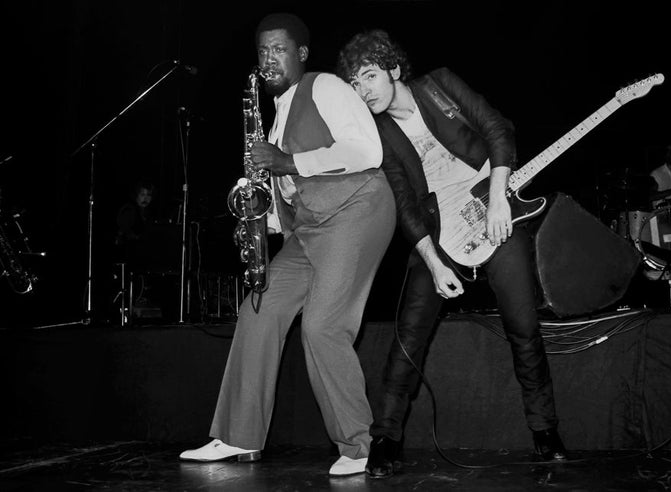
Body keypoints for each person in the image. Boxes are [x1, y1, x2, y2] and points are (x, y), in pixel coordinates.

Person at [336, 30, 567, 478]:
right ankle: (386, 438)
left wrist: (499, 196)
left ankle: (545, 429)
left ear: (394, 70)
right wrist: (435, 261)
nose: (363, 91)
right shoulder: (376, 133)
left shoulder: (439, 85)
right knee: (410, 332)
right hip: (439, 232)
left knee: (523, 325)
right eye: (355, 84)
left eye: (369, 76)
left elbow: (498, 129)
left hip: (494, 208)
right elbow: (403, 203)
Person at [179, 13, 396, 477]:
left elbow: (367, 152)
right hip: (311, 229)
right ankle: (236, 436)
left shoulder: (327, 88)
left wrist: (286, 160)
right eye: (262, 51)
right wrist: (262, 211)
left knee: (322, 327)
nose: (268, 58)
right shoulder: (275, 120)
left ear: (300, 54)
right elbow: (288, 192)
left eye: (279, 49)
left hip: (356, 210)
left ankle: (357, 446)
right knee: (258, 310)